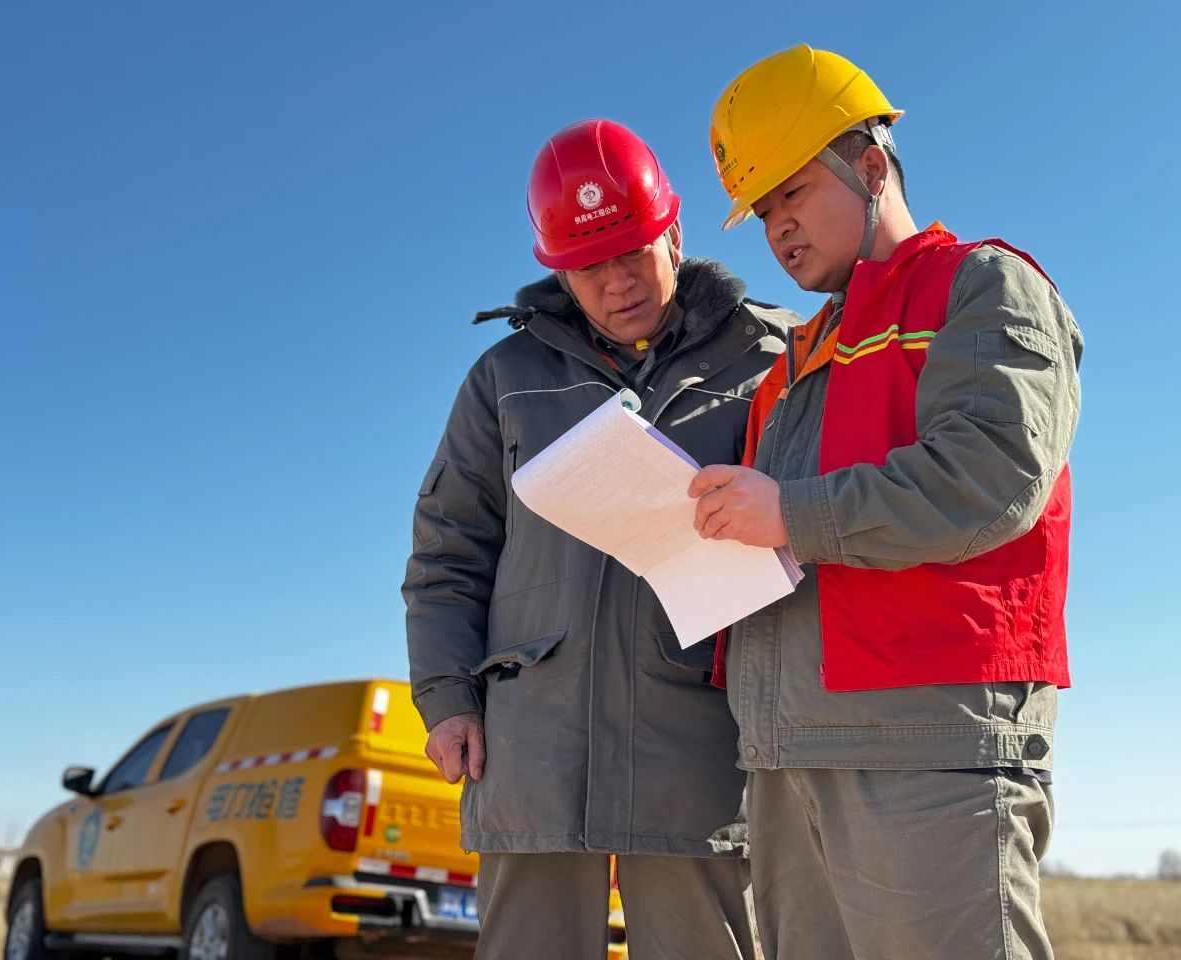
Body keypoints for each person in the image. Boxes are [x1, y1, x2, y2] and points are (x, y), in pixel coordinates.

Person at [689, 46, 1083, 960]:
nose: (777, 230)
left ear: (871, 167)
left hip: (929, 745)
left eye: (792, 194)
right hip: (789, 762)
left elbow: (991, 475)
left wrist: (787, 512)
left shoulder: (978, 287)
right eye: (762, 213)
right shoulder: (787, 369)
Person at [403, 118, 795, 959]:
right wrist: (444, 698)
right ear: (557, 269)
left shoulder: (772, 356)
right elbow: (446, 556)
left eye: (632, 252)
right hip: (532, 749)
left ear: (674, 233)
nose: (617, 283)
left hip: (699, 743)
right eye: (588, 265)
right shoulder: (505, 381)